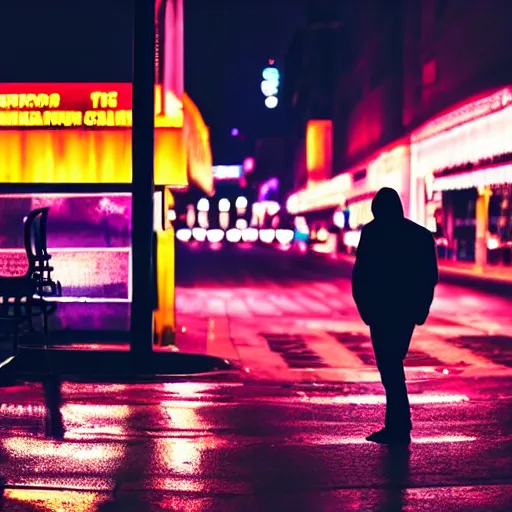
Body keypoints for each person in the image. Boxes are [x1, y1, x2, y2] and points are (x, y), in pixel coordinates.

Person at [352, 187, 438, 444]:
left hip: (381, 311)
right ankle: (399, 424)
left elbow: (360, 275)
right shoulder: (419, 235)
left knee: (389, 366)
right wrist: (420, 310)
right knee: (392, 365)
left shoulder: (372, 233)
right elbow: (428, 276)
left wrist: (366, 310)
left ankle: (399, 427)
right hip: (404, 312)